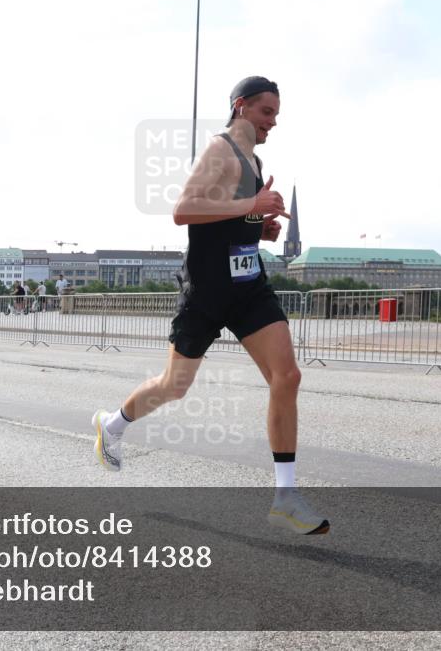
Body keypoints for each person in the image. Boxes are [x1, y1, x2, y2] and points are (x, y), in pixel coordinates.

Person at [91, 76, 329, 535]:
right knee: (173, 386)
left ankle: (285, 495)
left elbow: (230, 217)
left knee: (288, 375)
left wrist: (259, 227)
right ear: (241, 107)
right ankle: (113, 425)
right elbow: (184, 209)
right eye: (266, 113)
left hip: (248, 287)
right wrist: (252, 204)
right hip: (207, 289)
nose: (272, 123)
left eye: (276, 115)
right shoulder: (219, 150)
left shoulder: (255, 161)